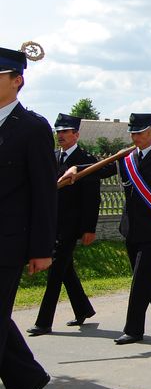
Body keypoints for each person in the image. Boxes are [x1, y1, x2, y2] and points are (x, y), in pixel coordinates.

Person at [64, 113, 151, 344]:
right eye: (133, 133)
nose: (135, 137)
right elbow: (100, 168)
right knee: (144, 275)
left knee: (140, 279)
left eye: (139, 132)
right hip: (131, 229)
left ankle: (134, 329)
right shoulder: (126, 158)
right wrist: (76, 168)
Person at [0, 45, 57, 389]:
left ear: (17, 81)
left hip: (8, 242)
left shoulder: (33, 127)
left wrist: (41, 249)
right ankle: (28, 376)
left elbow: (44, 194)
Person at [28, 114, 99, 337]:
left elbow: (92, 198)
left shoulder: (85, 159)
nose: (60, 136)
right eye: (58, 132)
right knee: (66, 270)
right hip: (53, 223)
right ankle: (83, 309)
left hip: (72, 226)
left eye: (65, 132)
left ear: (76, 134)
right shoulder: (52, 157)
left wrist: (89, 228)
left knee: (56, 271)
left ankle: (44, 322)